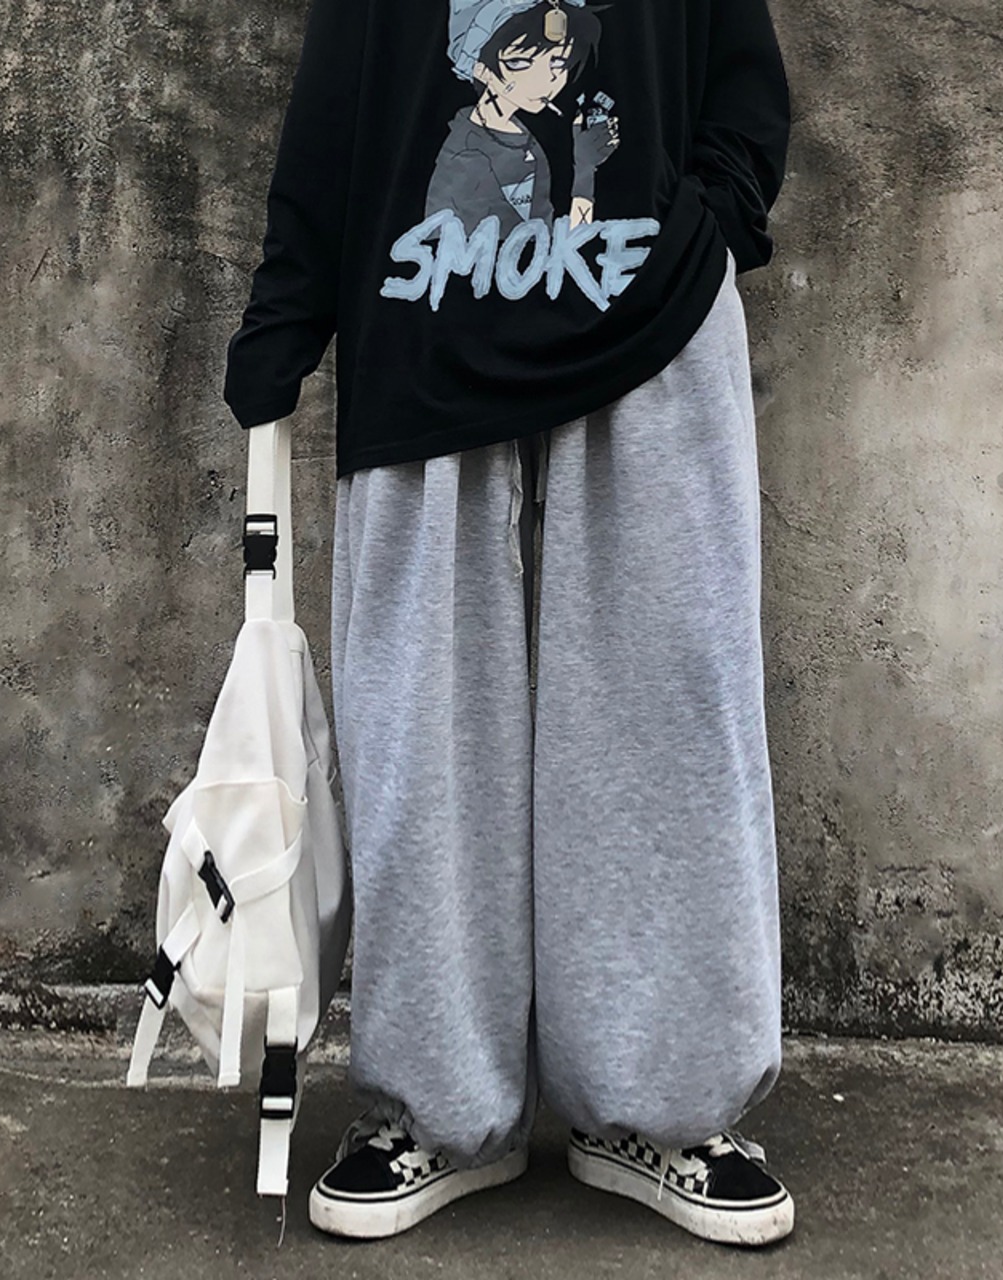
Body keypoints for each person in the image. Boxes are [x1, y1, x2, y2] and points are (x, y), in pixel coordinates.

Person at [224, 0, 793, 1248]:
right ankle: (439, 1111)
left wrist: (709, 219)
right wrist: (286, 313)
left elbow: (740, 81)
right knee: (421, 738)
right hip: (422, 333)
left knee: (667, 721)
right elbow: (337, 107)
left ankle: (659, 1105)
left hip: (651, 328)